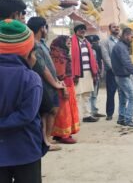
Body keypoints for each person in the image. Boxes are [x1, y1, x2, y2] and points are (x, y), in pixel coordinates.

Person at [0, 19, 47, 183]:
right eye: (33, 53)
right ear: (26, 53)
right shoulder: (31, 78)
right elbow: (27, 115)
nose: (34, 58)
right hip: (25, 150)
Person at [27, 17, 64, 151]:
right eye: (46, 27)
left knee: (52, 110)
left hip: (50, 83)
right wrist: (55, 83)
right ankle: (45, 142)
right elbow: (42, 68)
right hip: (43, 83)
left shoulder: (42, 43)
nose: (47, 30)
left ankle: (47, 139)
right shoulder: (34, 44)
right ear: (42, 28)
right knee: (45, 112)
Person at [111, 28, 133, 127]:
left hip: (120, 76)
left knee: (123, 98)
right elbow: (127, 63)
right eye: (131, 37)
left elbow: (127, 63)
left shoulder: (122, 46)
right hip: (123, 77)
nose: (132, 39)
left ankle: (121, 118)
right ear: (126, 35)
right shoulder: (121, 47)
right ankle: (128, 120)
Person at [50, 35, 80, 144]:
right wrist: (64, 89)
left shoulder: (62, 53)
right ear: (62, 42)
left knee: (66, 110)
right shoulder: (59, 55)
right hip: (64, 85)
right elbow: (59, 74)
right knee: (64, 111)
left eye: (70, 42)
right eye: (67, 42)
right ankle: (64, 135)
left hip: (68, 84)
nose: (69, 43)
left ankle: (59, 134)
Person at [71, 21, 99, 122]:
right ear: (76, 31)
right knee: (77, 95)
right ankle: (76, 118)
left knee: (86, 94)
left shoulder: (86, 42)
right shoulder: (71, 41)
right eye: (79, 29)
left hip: (88, 72)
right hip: (77, 73)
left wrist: (95, 71)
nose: (82, 30)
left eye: (83, 28)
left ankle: (86, 115)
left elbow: (92, 58)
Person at [100, 23, 120, 120]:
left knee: (123, 93)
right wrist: (113, 68)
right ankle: (109, 114)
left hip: (123, 71)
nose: (116, 28)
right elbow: (106, 56)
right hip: (112, 71)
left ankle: (123, 112)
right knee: (111, 93)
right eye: (114, 27)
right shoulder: (105, 41)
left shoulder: (122, 41)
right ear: (110, 29)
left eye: (117, 27)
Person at [86, 34, 105, 118]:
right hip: (92, 73)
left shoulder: (89, 48)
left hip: (94, 73)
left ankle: (92, 111)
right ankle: (91, 112)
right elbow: (101, 60)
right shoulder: (96, 47)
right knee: (92, 94)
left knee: (92, 94)